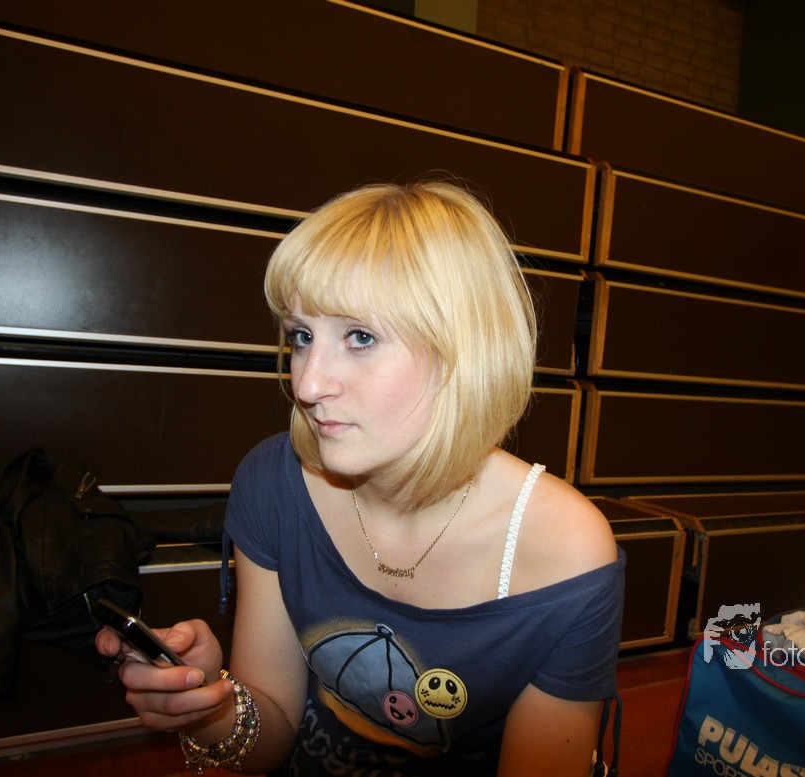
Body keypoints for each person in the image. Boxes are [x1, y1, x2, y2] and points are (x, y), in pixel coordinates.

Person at [96, 180, 626, 776]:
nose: (307, 385)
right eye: (302, 336)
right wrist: (212, 708)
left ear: (465, 350)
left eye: (360, 337)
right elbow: (271, 732)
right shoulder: (274, 483)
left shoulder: (564, 552)